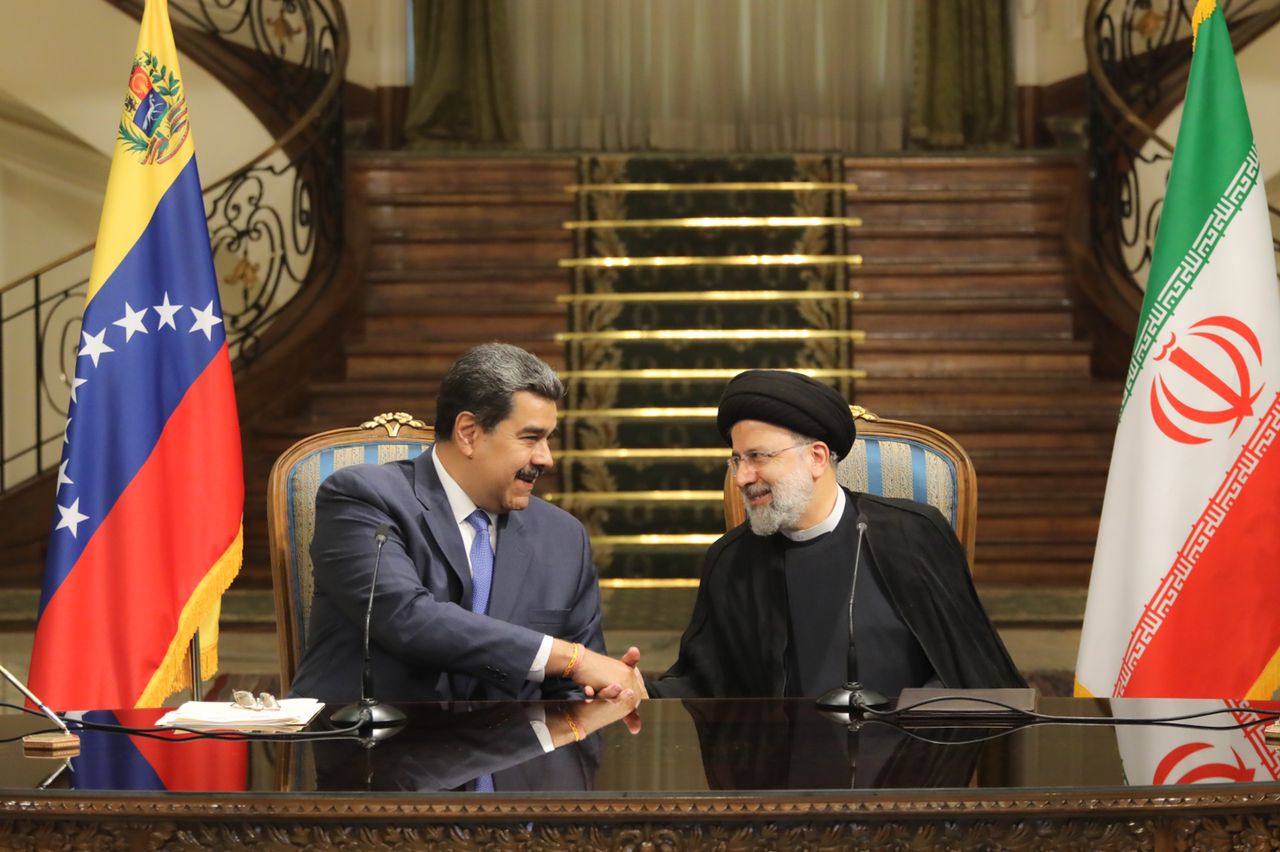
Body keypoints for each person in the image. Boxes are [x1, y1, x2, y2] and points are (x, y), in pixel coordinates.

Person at [290, 343, 646, 703]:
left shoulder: (563, 537)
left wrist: (603, 693)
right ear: (468, 433)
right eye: (530, 438)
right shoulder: (364, 497)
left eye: (548, 439)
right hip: (373, 732)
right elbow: (407, 619)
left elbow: (578, 687)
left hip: (517, 738)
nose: (546, 459)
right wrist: (570, 658)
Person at [649, 370, 1025, 699]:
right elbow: (706, 685)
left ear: (816, 457)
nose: (742, 478)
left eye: (758, 457)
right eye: (737, 460)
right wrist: (640, 690)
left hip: (909, 750)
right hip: (781, 759)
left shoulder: (913, 535)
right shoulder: (731, 560)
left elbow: (971, 673)